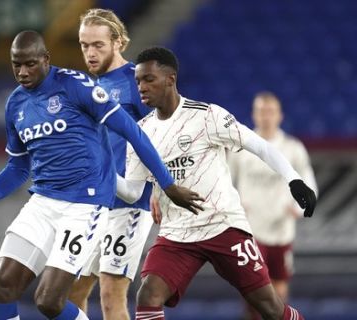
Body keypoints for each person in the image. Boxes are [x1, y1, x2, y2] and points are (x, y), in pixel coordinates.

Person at [0, 32, 203, 320]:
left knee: (49, 301)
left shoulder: (76, 86)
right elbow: (18, 169)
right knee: (1, 287)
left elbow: (133, 132)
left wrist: (167, 184)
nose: (23, 72)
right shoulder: (15, 105)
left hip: (84, 206)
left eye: (30, 64)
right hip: (42, 203)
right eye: (16, 64)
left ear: (46, 60)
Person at [116, 47, 317, 320]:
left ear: (170, 79)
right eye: (138, 81)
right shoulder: (142, 132)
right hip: (178, 234)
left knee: (270, 307)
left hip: (223, 225)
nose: (141, 87)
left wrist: (293, 179)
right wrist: (102, 173)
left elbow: (257, 145)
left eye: (149, 79)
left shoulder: (206, 116)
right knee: (148, 295)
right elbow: (132, 192)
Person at [67, 9, 154, 320]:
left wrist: (162, 189)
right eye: (84, 45)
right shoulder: (88, 88)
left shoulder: (136, 82)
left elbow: (162, 135)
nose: (90, 53)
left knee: (110, 294)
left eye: (98, 45)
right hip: (96, 204)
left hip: (130, 204)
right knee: (71, 291)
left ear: (118, 42)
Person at [227, 92, 318, 320]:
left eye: (270, 111)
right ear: (254, 115)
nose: (266, 116)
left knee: (278, 290)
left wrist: (297, 209)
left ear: (280, 115)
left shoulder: (293, 148)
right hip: (250, 230)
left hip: (280, 230)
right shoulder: (242, 147)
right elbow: (226, 181)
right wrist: (234, 207)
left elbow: (309, 184)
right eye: (261, 111)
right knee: (252, 290)